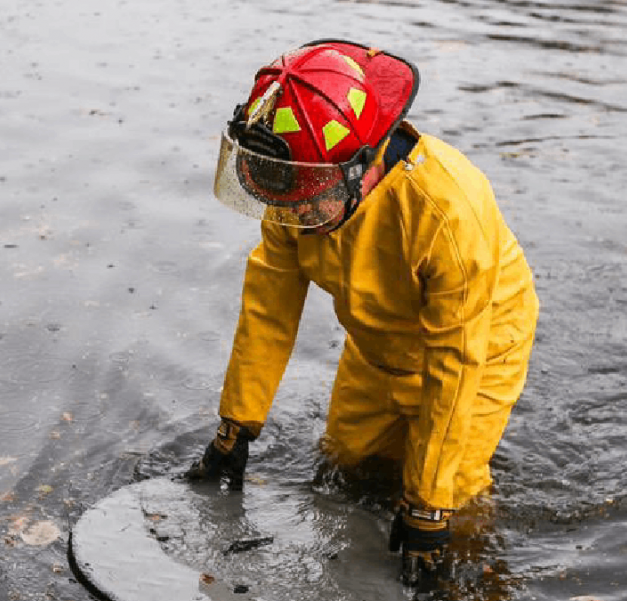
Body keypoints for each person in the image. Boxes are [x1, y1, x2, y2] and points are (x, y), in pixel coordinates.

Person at [185, 39, 539, 585]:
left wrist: (429, 508)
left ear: (361, 166)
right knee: (347, 463)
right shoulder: (295, 184)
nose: (293, 212)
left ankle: (474, 577)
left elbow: (455, 360)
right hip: (376, 342)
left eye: (308, 197)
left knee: (457, 497)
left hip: (480, 344)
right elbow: (268, 310)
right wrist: (236, 425)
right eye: (286, 195)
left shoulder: (445, 211)